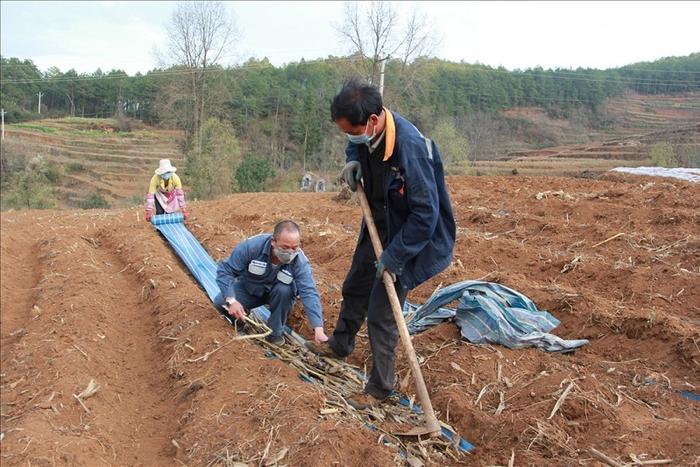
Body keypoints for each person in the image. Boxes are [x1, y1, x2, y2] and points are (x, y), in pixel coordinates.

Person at [307, 79, 456, 410]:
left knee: (381, 309)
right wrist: (351, 158)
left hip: (413, 237)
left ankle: (380, 388)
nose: (350, 136)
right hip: (380, 220)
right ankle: (340, 345)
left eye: (353, 131)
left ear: (373, 121)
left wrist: (395, 256)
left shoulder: (410, 148)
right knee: (356, 283)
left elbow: (426, 215)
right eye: (345, 132)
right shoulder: (366, 130)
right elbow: (355, 143)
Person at [214, 220, 329, 346]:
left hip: (279, 296)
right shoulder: (252, 247)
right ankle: (241, 321)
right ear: (273, 242)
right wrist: (231, 300)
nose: (290, 252)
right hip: (250, 289)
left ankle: (274, 335)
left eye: (294, 248)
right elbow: (225, 270)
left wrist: (318, 328)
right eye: (285, 247)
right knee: (221, 302)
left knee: (285, 290)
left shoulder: (299, 261)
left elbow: (309, 292)